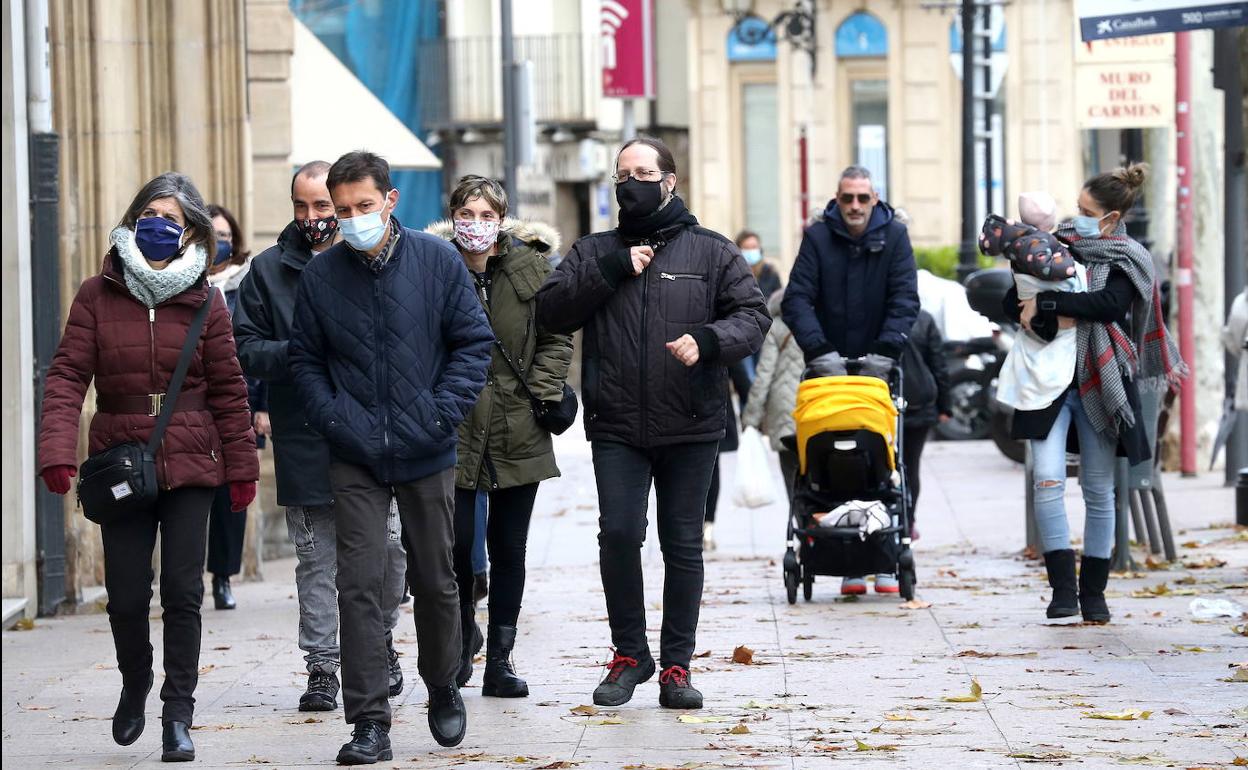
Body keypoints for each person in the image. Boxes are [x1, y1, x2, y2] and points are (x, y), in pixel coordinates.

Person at [536, 136, 770, 710]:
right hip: (617, 422)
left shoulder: (712, 252)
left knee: (682, 545)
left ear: (670, 181)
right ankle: (629, 655)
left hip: (691, 421)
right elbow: (552, 310)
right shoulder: (595, 251)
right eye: (623, 174)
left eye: (643, 172)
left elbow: (754, 316)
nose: (631, 183)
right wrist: (612, 269)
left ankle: (675, 666)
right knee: (618, 533)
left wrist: (710, 341)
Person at [38, 172, 258, 762]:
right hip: (120, 459)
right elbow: (65, 376)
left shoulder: (207, 298)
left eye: (172, 218)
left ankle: (177, 713)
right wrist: (57, 451)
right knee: (129, 596)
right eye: (149, 214)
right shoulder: (97, 292)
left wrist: (242, 468)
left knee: (184, 594)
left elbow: (231, 390)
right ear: (133, 220)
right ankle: (135, 683)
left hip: (192, 457)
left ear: (190, 233)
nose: (158, 225)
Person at [289, 151, 494, 763]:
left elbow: (473, 343)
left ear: (391, 201)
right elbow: (305, 361)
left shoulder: (436, 262)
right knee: (359, 584)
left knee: (435, 578)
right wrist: (336, 419)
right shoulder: (323, 277)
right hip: (354, 450)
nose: (352, 220)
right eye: (343, 209)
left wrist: (438, 414)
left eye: (363, 207)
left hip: (427, 444)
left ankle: (442, 687)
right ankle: (369, 721)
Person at [232, 162, 409, 713]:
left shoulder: (376, 259)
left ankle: (379, 643)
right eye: (301, 207)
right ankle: (322, 666)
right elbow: (247, 347)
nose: (312, 218)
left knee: (388, 552)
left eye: (323, 207)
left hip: (375, 436)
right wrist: (306, 352)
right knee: (316, 560)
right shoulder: (266, 271)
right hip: (306, 436)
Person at [1003, 162, 1185, 624]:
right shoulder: (1055, 242)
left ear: (1111, 218)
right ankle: (1062, 592)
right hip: (1048, 380)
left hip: (1099, 382)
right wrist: (1037, 309)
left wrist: (1045, 304)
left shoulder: (1127, 258)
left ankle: (1095, 593)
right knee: (1046, 479)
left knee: (1099, 490)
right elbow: (1012, 298)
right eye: (1076, 207)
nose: (1075, 217)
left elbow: (1109, 306)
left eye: (1087, 211)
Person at [425, 175, 573, 697]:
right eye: (468, 215)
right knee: (458, 547)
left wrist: (539, 389)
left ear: (503, 220)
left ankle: (502, 661)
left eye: (488, 216)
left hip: (519, 425)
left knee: (509, 547)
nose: (477, 226)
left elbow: (557, 336)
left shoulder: (531, 268)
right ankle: (466, 633)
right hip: (457, 426)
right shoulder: (434, 268)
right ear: (453, 218)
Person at [781, 164, 919, 595]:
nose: (855, 206)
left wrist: (887, 348)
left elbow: (905, 296)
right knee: (833, 461)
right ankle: (846, 564)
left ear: (874, 199)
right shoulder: (818, 237)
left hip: (878, 368)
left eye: (863, 198)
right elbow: (797, 297)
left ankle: (882, 557)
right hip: (828, 369)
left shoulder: (894, 236)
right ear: (836, 200)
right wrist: (820, 351)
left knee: (880, 458)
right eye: (847, 198)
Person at [204, 203, 264, 611]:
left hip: (238, 403)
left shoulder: (247, 283)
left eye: (225, 236)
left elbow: (259, 346)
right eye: (212, 235)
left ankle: (223, 577)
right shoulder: (182, 283)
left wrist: (261, 407)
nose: (220, 243)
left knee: (231, 496)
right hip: (192, 406)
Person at [742, 288, 805, 503]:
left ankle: (799, 525)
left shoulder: (776, 328)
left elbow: (764, 375)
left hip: (784, 411)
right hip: (815, 404)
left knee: (791, 474)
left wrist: (750, 419)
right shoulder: (819, 323)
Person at [900, 309, 950, 538]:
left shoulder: (871, 310)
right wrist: (944, 405)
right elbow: (938, 363)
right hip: (919, 399)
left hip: (880, 399)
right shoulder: (923, 318)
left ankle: (891, 520)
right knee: (910, 465)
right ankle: (908, 521)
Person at [701, 359, 751, 551]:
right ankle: (708, 525)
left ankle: (698, 524)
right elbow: (741, 379)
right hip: (714, 410)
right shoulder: (717, 330)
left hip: (681, 412)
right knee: (712, 469)